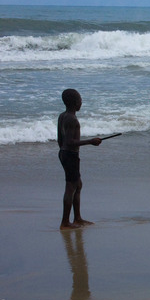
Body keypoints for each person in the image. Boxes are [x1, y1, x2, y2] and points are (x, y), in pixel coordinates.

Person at [57, 89, 102, 229]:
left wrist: (63, 153)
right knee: (71, 187)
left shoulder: (62, 116)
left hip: (64, 153)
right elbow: (70, 142)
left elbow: (60, 140)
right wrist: (91, 142)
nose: (81, 102)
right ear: (75, 102)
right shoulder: (72, 119)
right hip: (70, 155)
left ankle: (77, 218)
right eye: (80, 100)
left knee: (78, 185)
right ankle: (65, 222)